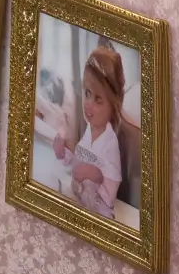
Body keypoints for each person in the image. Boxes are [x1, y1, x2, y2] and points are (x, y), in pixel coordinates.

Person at [53, 45, 125, 221]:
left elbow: (111, 183)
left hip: (99, 216)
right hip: (80, 203)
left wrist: (96, 174)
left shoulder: (109, 142)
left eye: (98, 99)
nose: (88, 104)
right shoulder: (88, 129)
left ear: (113, 106)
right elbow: (78, 164)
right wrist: (64, 153)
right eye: (87, 93)